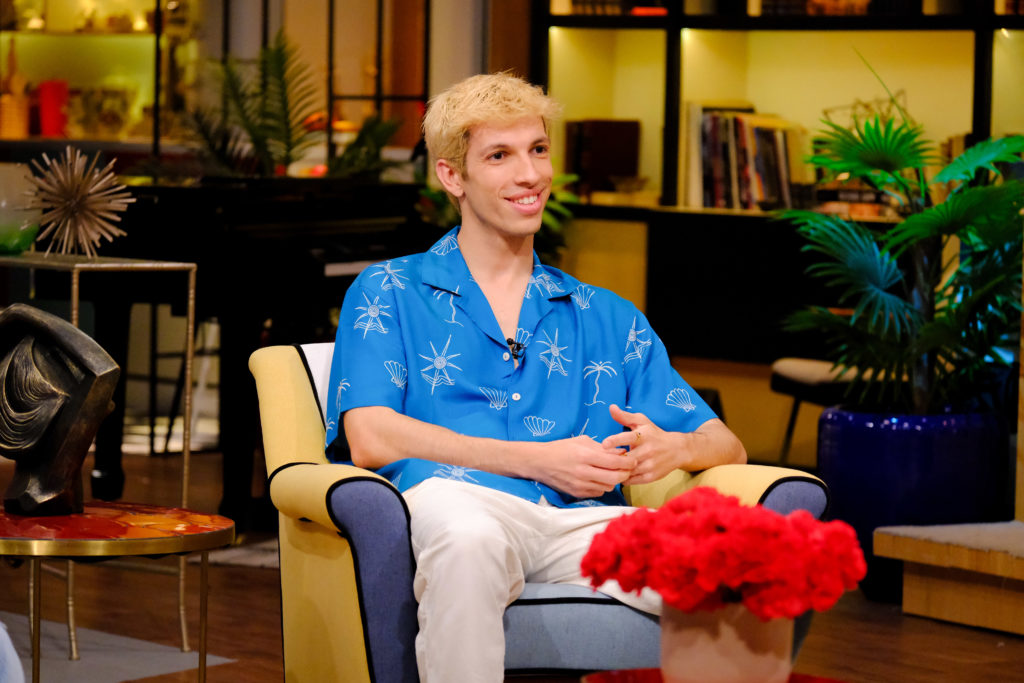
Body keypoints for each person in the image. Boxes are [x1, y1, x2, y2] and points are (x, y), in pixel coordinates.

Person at [325, 72, 746, 682]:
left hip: (583, 520)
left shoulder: (606, 314)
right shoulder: (389, 289)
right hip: (458, 503)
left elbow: (724, 443)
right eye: (499, 156)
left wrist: (673, 448)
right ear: (452, 177)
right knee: (467, 542)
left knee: (732, 569)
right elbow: (370, 436)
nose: (530, 175)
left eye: (538, 150)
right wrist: (538, 460)